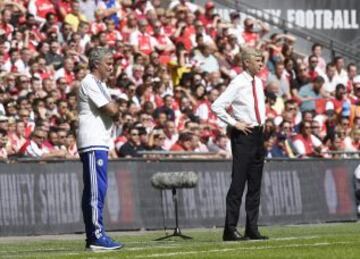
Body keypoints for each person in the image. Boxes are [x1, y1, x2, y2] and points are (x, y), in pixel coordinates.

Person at [211, 47, 268, 241]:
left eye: (261, 60)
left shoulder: (258, 82)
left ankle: (252, 228)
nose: (261, 64)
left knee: (255, 185)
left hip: (258, 135)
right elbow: (217, 105)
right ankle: (230, 229)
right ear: (246, 62)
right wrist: (234, 123)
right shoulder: (238, 82)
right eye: (257, 60)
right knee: (238, 184)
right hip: (244, 136)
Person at [76, 47, 124, 251]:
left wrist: (115, 112)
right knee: (96, 191)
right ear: (96, 64)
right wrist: (115, 110)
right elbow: (112, 110)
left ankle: (94, 235)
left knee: (97, 190)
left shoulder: (100, 84)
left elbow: (115, 113)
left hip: (99, 142)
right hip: (93, 141)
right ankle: (96, 236)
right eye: (109, 63)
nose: (112, 67)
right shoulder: (89, 82)